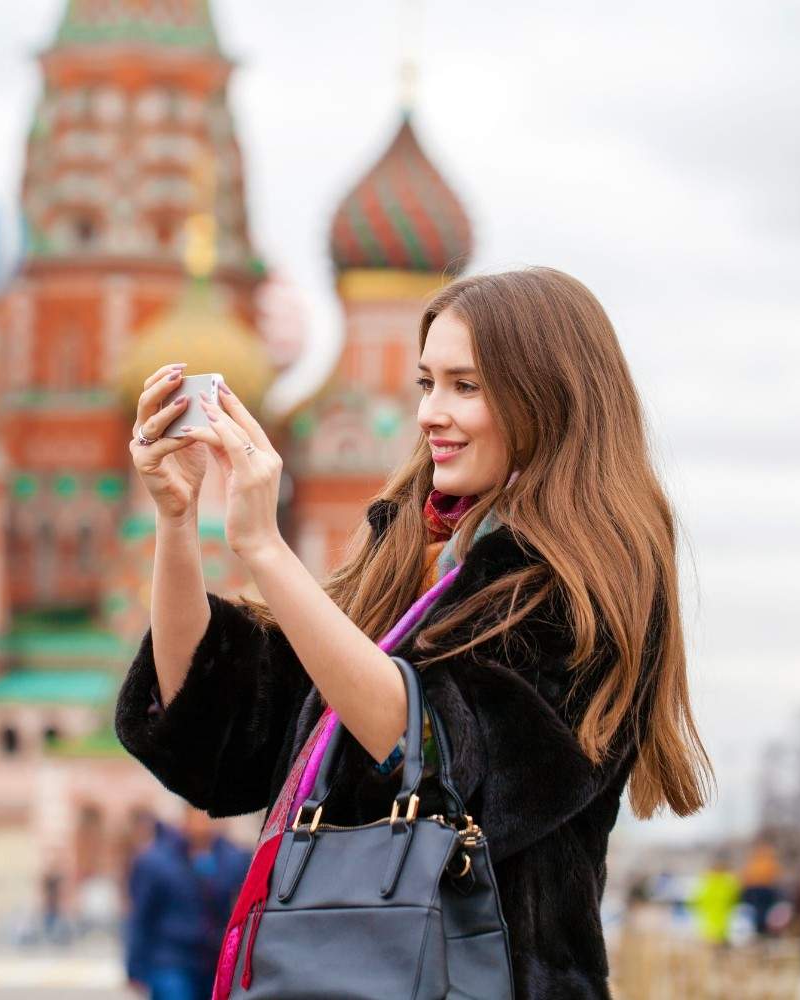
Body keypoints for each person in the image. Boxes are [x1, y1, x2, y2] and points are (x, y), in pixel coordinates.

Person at [116, 267, 713, 998]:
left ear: (546, 399)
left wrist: (266, 550)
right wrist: (176, 524)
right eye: (427, 383)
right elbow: (217, 723)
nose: (432, 411)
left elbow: (439, 758)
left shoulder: (584, 587)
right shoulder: (407, 554)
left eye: (466, 386)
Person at [126, 806, 246, 999]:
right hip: (171, 959)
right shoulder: (156, 861)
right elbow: (141, 916)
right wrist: (134, 967)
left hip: (213, 961)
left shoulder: (232, 858)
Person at [690, 853, 742, 947]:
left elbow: (695, 901)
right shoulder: (727, 883)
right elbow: (735, 899)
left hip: (718, 925)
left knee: (716, 947)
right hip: (714, 925)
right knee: (716, 947)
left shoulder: (709, 882)